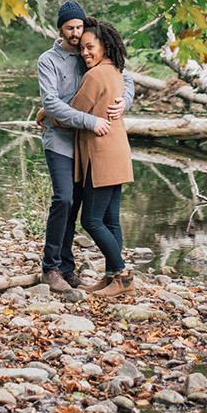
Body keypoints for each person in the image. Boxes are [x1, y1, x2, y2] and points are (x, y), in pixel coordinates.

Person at [36, 0, 133, 293]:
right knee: (64, 201)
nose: (77, 34)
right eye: (70, 28)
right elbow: (51, 102)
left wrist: (124, 102)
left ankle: (70, 268)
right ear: (60, 29)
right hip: (61, 141)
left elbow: (124, 78)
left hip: (87, 148)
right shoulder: (48, 60)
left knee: (80, 207)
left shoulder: (88, 55)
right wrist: (83, 120)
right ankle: (51, 267)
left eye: (79, 27)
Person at [71, 17, 135, 299]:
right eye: (82, 48)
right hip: (118, 153)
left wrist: (44, 113)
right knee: (111, 220)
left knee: (91, 220)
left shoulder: (95, 76)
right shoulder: (116, 71)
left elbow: (73, 112)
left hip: (103, 156)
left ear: (105, 46)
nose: (85, 53)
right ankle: (111, 276)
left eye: (90, 47)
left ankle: (121, 274)